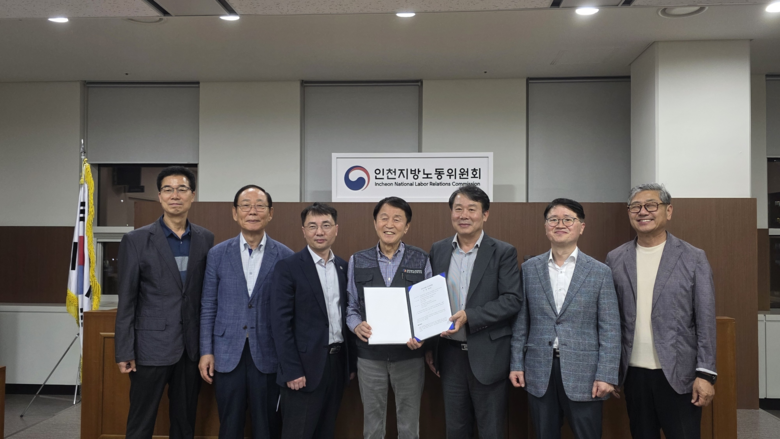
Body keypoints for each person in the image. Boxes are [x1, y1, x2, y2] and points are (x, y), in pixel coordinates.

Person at [605, 183, 717, 439]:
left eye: (651, 205)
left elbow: (706, 320)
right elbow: (610, 320)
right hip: (633, 373)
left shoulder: (693, 257)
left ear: (668, 211)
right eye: (635, 206)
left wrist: (706, 374)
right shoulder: (615, 258)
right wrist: (610, 370)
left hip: (680, 375)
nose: (643, 211)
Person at [115, 166, 215, 439]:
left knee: (185, 423)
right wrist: (124, 350)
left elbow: (205, 296)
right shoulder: (136, 240)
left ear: (192, 195)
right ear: (159, 196)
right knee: (141, 422)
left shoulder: (205, 238)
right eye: (168, 190)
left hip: (190, 350)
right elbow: (127, 300)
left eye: (182, 189)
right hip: (149, 348)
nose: (175, 195)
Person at [510, 198, 620, 439]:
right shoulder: (529, 269)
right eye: (553, 220)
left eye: (568, 219)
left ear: (581, 227)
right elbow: (521, 323)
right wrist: (516, 363)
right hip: (539, 369)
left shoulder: (600, 272)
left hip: (586, 373)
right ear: (545, 226)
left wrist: (606, 374)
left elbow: (610, 328)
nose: (560, 225)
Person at [427, 185, 522, 438]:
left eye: (472, 209)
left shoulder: (503, 252)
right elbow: (430, 299)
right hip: (450, 356)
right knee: (456, 429)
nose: (464, 215)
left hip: (489, 355)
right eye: (458, 209)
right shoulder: (438, 250)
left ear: (485, 214)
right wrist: (429, 344)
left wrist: (470, 316)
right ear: (451, 213)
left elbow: (512, 300)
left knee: (491, 430)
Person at [199, 185, 293, 439]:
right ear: (235, 213)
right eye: (246, 206)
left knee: (267, 426)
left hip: (268, 353)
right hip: (226, 352)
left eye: (260, 206)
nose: (253, 211)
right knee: (230, 425)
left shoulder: (285, 256)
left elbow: (289, 312)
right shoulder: (217, 254)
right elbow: (208, 306)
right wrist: (206, 351)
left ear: (270, 213)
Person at [346, 196, 432, 439]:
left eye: (397, 219)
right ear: (375, 223)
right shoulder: (358, 260)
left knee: (409, 426)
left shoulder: (421, 259)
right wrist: (356, 326)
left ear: (407, 226)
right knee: (372, 426)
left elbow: (429, 309)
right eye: (384, 218)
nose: (389, 224)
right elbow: (351, 306)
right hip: (370, 357)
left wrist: (421, 335)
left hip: (409, 357)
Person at [270, 203, 355, 439]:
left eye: (326, 225)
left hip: (336, 365)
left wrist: (350, 365)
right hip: (302, 369)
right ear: (303, 231)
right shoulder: (288, 268)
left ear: (336, 229)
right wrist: (291, 370)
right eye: (312, 226)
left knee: (326, 431)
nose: (319, 232)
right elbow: (280, 324)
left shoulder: (344, 267)